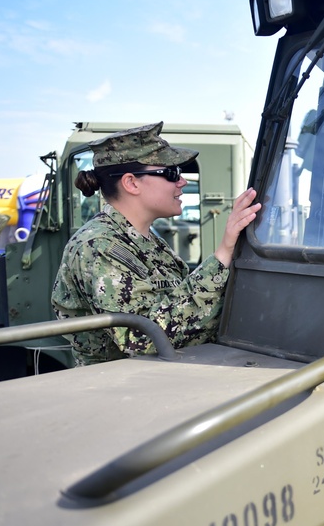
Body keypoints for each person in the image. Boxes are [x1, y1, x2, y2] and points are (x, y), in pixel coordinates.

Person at [52, 122, 261, 366]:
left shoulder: (144, 240)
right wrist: (224, 252)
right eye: (171, 173)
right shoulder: (99, 246)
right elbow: (143, 339)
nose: (182, 182)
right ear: (131, 183)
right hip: (124, 391)